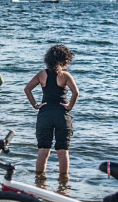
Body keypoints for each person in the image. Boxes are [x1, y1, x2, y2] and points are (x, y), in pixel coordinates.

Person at [24, 44, 79, 176]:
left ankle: (39, 181)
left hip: (45, 114)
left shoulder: (42, 74)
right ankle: (63, 183)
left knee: (43, 150)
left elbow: (27, 89)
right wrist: (69, 106)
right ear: (64, 60)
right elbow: (76, 92)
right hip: (61, 114)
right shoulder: (65, 75)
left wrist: (35, 105)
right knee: (62, 151)